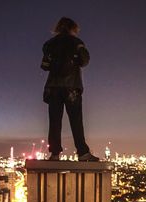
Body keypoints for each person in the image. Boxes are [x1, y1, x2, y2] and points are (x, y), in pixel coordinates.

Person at [41, 17, 99, 161]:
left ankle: (54, 153)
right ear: (73, 28)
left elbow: (44, 65)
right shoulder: (76, 42)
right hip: (72, 86)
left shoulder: (49, 44)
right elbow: (85, 60)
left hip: (54, 87)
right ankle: (83, 153)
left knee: (54, 121)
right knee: (76, 120)